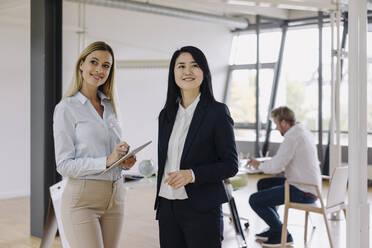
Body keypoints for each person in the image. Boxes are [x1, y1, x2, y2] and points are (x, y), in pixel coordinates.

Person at [53, 41, 136, 248]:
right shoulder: (66, 108)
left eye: (106, 65)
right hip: (82, 201)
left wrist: (122, 159)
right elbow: (63, 165)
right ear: (81, 64)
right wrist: (107, 161)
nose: (99, 70)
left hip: (116, 197)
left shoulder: (110, 106)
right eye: (94, 62)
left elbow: (111, 155)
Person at [155, 46, 238, 248]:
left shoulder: (217, 112)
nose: (187, 72)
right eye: (181, 66)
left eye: (194, 66)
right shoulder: (166, 115)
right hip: (167, 206)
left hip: (201, 207)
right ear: (173, 73)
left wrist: (192, 174)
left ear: (204, 72)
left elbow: (230, 165)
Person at [247, 106, 321, 247]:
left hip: (303, 191)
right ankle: (275, 229)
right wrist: (261, 163)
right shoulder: (301, 132)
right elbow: (282, 159)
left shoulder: (292, 137)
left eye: (276, 124)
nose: (276, 128)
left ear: (284, 123)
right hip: (307, 185)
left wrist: (258, 166)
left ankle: (281, 232)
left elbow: (278, 166)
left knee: (254, 200)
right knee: (264, 184)